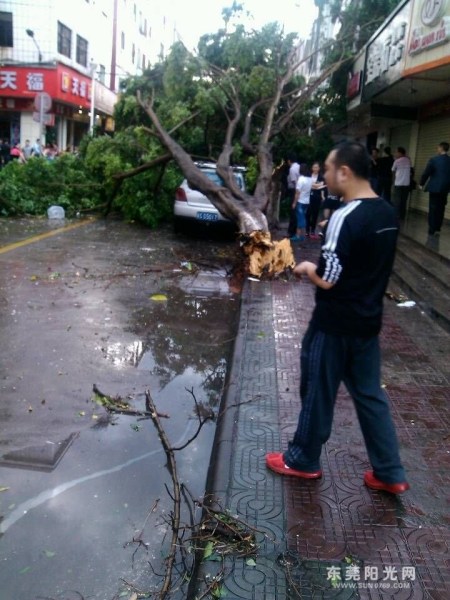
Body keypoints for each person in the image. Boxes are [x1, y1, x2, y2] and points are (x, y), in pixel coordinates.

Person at [266, 140, 409, 495]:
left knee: (317, 390)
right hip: (367, 323)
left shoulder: (345, 217)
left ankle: (302, 460)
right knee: (370, 395)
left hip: (333, 325)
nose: (325, 176)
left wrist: (306, 267)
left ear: (344, 172)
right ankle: (390, 472)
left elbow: (328, 279)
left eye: (329, 170)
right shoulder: (388, 215)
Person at [419, 141, 450, 236]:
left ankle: (431, 229)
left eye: (438, 148)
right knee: (441, 208)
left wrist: (421, 183)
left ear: (441, 148)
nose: (437, 149)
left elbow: (426, 173)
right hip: (445, 188)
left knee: (433, 208)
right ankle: (437, 228)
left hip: (434, 187)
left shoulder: (434, 160)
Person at [290, 163, 312, 243]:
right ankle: (301, 235)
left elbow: (297, 193)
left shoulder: (301, 179)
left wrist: (294, 203)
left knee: (300, 218)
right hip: (307, 201)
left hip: (300, 201)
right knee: (302, 218)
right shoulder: (310, 179)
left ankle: (299, 235)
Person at [392, 147, 411, 220]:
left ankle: (396, 216)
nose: (395, 153)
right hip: (406, 184)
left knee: (397, 201)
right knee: (404, 201)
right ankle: (402, 216)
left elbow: (393, 171)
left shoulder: (396, 161)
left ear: (400, 153)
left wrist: (393, 182)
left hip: (398, 184)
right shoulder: (408, 160)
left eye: (396, 152)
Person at [308, 161, 326, 239]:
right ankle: (307, 230)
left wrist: (313, 185)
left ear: (319, 168)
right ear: (312, 168)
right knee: (308, 213)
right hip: (308, 196)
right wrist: (315, 185)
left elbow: (322, 185)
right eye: (314, 167)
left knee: (315, 214)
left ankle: (312, 230)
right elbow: (308, 185)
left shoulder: (321, 176)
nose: (315, 169)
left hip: (317, 197)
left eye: (317, 167)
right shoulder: (309, 175)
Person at [286, 155, 300, 236]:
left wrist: (297, 192)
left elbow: (295, 182)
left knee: (293, 210)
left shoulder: (292, 169)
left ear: (289, 161)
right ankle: (294, 230)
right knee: (296, 211)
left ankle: (292, 231)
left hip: (294, 191)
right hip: (300, 190)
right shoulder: (299, 166)